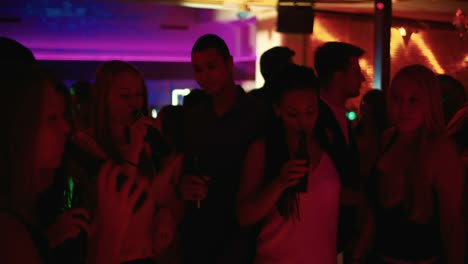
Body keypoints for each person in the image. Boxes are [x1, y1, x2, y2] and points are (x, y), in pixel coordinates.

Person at [0, 62, 144, 264]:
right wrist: (107, 237)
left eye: (138, 95)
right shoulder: (84, 147)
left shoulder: (148, 141)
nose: (66, 127)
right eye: (52, 118)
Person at [353, 65, 465, 264]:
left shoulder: (441, 151)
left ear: (429, 103)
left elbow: (452, 227)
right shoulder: (388, 139)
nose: (403, 108)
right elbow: (374, 212)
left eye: (413, 100)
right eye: (397, 99)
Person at [237, 64, 341, 264]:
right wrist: (279, 183)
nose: (303, 122)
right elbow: (243, 215)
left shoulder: (327, 142)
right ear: (277, 110)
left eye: (310, 112)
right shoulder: (263, 149)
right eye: (293, 114)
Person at [179, 34, 267, 264]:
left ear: (228, 63)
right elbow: (185, 169)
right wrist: (184, 185)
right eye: (198, 69)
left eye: (211, 67)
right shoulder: (194, 118)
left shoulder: (257, 113)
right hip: (200, 233)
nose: (204, 76)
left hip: (243, 236)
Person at [313, 41, 365, 260]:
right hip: (319, 233)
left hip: (338, 232)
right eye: (356, 71)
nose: (362, 78)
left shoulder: (339, 114)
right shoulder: (315, 116)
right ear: (338, 76)